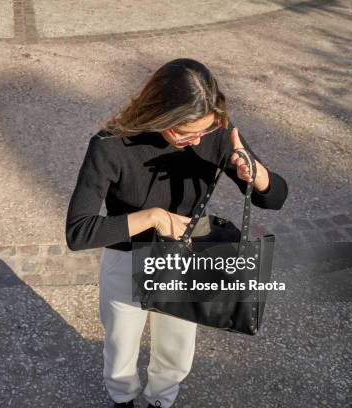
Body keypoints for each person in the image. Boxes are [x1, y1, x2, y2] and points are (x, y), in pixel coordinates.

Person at [65, 58, 288, 407]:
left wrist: (254, 172)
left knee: (176, 350)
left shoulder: (215, 131)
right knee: (121, 347)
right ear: (160, 113)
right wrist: (153, 217)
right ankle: (121, 399)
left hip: (188, 258)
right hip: (127, 257)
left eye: (204, 130)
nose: (196, 139)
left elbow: (275, 198)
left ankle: (161, 401)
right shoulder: (109, 145)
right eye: (184, 132)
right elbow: (78, 232)